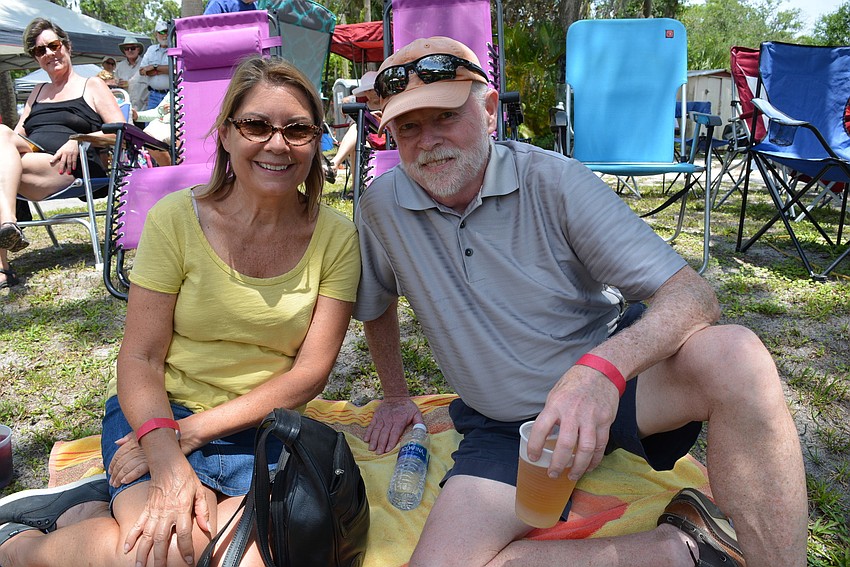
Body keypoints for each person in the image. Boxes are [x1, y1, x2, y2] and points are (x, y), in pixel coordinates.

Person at [354, 36, 807, 567]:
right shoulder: (381, 208)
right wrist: (394, 396)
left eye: (446, 116)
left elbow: (692, 295)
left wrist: (600, 373)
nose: (429, 141)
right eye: (408, 127)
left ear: (489, 109)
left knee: (736, 356)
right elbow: (376, 302)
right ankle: (681, 549)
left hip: (615, 391)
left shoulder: (553, 181)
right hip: (507, 430)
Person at [0, 55, 360, 566]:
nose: (277, 144)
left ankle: (83, 514)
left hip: (263, 432)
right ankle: (20, 548)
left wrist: (193, 434)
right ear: (226, 134)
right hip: (160, 414)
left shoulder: (336, 238)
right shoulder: (176, 219)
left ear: (316, 140)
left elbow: (310, 374)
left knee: (239, 560)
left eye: (298, 129)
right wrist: (166, 450)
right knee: (168, 552)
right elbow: (140, 357)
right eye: (256, 125)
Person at [0, 18, 126, 289]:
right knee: (1, 133)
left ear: (67, 46)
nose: (48, 53)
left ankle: (3, 260)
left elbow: (121, 133)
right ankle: (7, 226)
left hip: (68, 165)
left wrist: (77, 140)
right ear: (36, 58)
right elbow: (17, 136)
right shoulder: (37, 91)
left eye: (53, 45)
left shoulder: (92, 85)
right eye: (40, 50)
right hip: (31, 160)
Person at [329, 70, 385, 172]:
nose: (372, 93)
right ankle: (335, 165)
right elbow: (344, 108)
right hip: (366, 139)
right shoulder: (361, 107)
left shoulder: (388, 104)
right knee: (357, 133)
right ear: (364, 92)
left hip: (386, 138)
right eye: (368, 90)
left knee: (357, 132)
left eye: (374, 89)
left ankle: (335, 164)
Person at [139, 20, 170, 110]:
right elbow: (141, 71)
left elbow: (175, 69)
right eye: (162, 32)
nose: (165, 35)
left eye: (167, 32)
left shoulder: (175, 50)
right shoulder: (151, 50)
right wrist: (163, 70)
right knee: (150, 119)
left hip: (170, 95)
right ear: (156, 34)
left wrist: (154, 67)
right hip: (153, 96)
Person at [114, 36, 149, 116]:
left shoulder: (146, 64)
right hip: (125, 111)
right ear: (124, 51)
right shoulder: (119, 66)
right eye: (127, 49)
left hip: (144, 111)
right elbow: (116, 88)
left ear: (138, 49)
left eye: (132, 48)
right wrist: (118, 84)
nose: (129, 50)